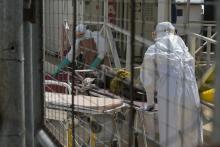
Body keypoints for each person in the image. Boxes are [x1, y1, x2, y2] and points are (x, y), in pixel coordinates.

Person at [140, 22, 203, 147]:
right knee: (191, 134)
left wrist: (151, 103)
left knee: (171, 135)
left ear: (157, 33)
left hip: (170, 95)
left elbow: (148, 81)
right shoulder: (185, 51)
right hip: (192, 95)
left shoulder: (153, 49)